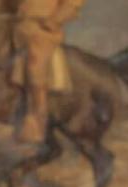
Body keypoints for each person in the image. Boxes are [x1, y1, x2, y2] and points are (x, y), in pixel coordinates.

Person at [13, 0, 86, 143]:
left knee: (35, 64)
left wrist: (54, 21)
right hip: (20, 25)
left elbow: (73, 3)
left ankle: (37, 121)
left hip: (43, 29)